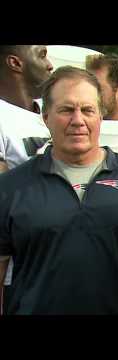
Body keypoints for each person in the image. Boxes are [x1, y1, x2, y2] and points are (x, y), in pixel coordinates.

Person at [0, 66, 118, 314]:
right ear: (45, 117)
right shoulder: (11, 188)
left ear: (100, 116)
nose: (78, 120)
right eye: (66, 110)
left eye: (88, 110)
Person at [0, 45, 53, 312]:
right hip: (19, 272)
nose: (50, 64)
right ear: (15, 62)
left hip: (61, 261)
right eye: (42, 54)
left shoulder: (55, 109)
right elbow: (4, 202)